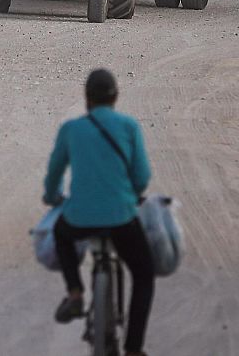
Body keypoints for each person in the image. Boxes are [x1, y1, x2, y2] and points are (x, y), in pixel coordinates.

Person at [43, 69, 155, 356]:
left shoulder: (71, 129)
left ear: (86, 99)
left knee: (61, 233)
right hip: (121, 218)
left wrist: (51, 196)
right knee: (144, 274)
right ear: (116, 97)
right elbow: (142, 176)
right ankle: (133, 349)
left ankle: (76, 293)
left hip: (79, 217)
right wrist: (134, 194)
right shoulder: (129, 126)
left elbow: (54, 172)